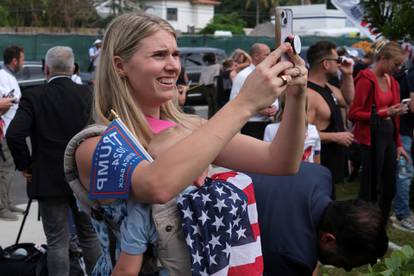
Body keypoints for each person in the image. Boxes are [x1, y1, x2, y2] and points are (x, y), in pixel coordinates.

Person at [72, 12, 308, 275]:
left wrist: (298, 96)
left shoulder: (191, 128)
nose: (174, 65)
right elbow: (156, 185)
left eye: (175, 54)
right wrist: (245, 103)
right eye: (159, 55)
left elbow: (282, 161)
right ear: (120, 65)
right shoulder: (94, 144)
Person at [6, 46, 101, 276]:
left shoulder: (34, 96)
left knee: (57, 240)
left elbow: (14, 134)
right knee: (89, 236)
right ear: (74, 69)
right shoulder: (88, 94)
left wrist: (26, 165)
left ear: (45, 69)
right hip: (85, 176)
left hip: (48, 179)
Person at [250, 162, 388, 276]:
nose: (346, 270)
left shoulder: (320, 175)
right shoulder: (294, 258)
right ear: (328, 239)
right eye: (347, 263)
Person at [348, 41, 409, 221]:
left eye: (400, 65)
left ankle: (380, 223)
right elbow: (353, 113)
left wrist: (398, 144)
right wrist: (385, 112)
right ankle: (363, 225)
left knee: (389, 187)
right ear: (383, 58)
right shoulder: (366, 78)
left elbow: (395, 117)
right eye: (396, 64)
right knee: (370, 188)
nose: (398, 68)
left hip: (387, 137)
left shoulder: (392, 81)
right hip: (371, 138)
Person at [306, 41, 355, 197]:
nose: (340, 63)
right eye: (337, 60)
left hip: (332, 164)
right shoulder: (308, 95)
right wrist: (336, 136)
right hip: (319, 166)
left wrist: (348, 75)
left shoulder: (329, 88)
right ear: (326, 64)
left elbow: (347, 100)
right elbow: (301, 135)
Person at [229, 43, 277, 139]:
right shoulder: (243, 76)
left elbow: (274, 94)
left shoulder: (270, 73)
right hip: (250, 125)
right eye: (266, 55)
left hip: (268, 124)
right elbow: (234, 101)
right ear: (256, 56)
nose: (270, 57)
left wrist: (275, 107)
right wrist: (258, 110)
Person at [0, 45, 25, 221]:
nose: (23, 63)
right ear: (14, 60)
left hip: (9, 130)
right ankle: (1, 208)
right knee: (5, 170)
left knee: (8, 169)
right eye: (22, 59)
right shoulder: (3, 76)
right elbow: (4, 101)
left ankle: (7, 202)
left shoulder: (8, 76)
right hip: (4, 130)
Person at [264, 92, 321, 164]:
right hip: (282, 172)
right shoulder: (271, 129)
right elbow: (268, 159)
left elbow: (317, 163)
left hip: (307, 172)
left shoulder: (312, 130)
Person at [392, 61, 414, 231]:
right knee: (405, 171)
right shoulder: (412, 74)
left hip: (406, 130)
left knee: (405, 171)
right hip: (405, 130)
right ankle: (402, 214)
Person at [199, 52, 221, 118]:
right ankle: (217, 120)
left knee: (210, 106)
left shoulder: (204, 68)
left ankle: (209, 119)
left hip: (205, 88)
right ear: (213, 58)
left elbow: (201, 81)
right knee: (216, 105)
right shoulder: (217, 66)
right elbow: (216, 77)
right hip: (214, 87)